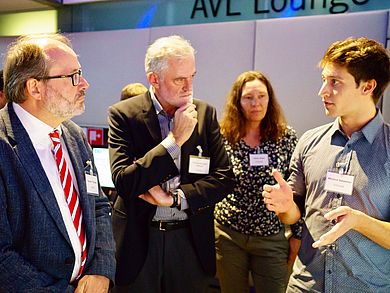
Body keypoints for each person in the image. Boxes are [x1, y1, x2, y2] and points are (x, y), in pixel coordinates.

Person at [262, 37, 390, 292]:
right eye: (324, 80)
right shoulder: (309, 141)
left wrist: (358, 221)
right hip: (304, 285)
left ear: (367, 87)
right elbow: (293, 214)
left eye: (335, 82)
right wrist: (285, 206)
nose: (323, 91)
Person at [108, 35, 234, 292]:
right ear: (154, 79)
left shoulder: (204, 113)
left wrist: (176, 198)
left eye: (192, 77)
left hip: (189, 238)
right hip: (139, 240)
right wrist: (174, 141)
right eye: (179, 79)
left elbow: (224, 179)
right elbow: (124, 181)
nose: (189, 87)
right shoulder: (124, 115)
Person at [0, 33, 116, 292]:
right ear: (35, 88)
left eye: (81, 73)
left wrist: (101, 269)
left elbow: (97, 205)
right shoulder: (3, 145)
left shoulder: (74, 135)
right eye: (72, 76)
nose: (84, 83)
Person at [214, 70, 302, 293]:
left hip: (271, 235)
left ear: (270, 99)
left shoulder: (286, 137)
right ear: (237, 101)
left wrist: (298, 235)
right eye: (248, 98)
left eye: (262, 96)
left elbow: (299, 188)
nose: (256, 103)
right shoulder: (224, 136)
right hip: (228, 234)